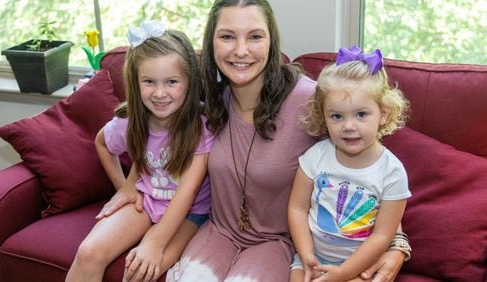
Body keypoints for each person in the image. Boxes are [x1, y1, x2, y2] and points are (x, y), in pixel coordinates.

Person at [165, 1, 411, 282]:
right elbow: (148, 134)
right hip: (216, 234)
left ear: (272, 42)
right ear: (211, 43)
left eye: (255, 36)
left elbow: (368, 165)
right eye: (227, 36)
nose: (241, 50)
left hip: (278, 245)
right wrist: (126, 188)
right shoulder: (207, 96)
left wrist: (397, 244)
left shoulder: (312, 100)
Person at [65, 20, 214, 282]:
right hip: (145, 200)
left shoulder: (201, 127)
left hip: (191, 212)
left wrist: (154, 242)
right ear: (135, 82)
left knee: (137, 272)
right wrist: (124, 186)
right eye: (148, 81)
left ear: (190, 81)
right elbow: (102, 142)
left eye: (171, 81)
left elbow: (187, 193)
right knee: (88, 253)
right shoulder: (129, 122)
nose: (159, 93)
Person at [288, 46, 411, 282]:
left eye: (361, 114)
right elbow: (297, 208)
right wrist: (307, 256)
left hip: (360, 266)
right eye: (337, 116)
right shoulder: (314, 157)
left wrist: (344, 273)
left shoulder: (393, 173)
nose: (349, 126)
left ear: (383, 114)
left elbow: (382, 236)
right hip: (311, 258)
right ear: (323, 116)